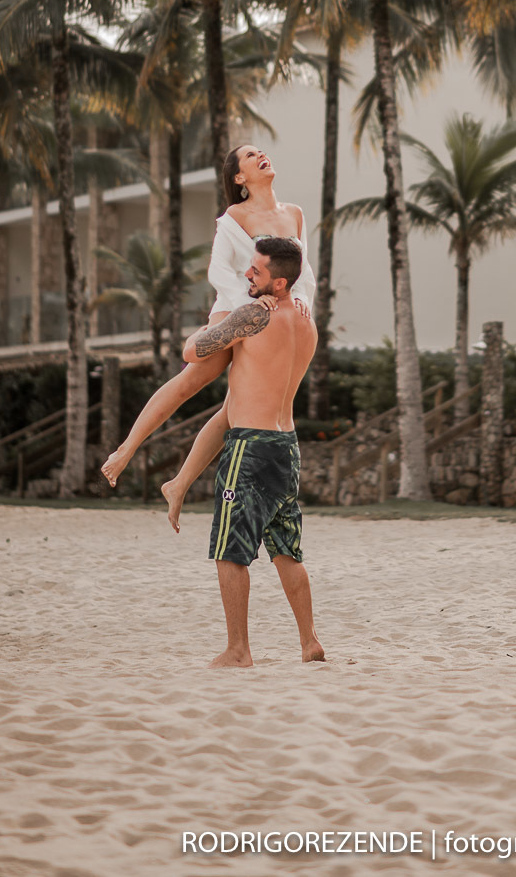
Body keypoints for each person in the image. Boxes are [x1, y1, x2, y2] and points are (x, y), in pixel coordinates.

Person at [100, 144, 315, 505]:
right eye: (249, 155)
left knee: (235, 407)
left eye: (260, 150)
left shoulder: (294, 213)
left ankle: (178, 483)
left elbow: (303, 271)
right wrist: (248, 306)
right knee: (192, 380)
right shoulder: (235, 215)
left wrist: (302, 301)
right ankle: (125, 450)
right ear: (239, 178)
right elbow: (218, 270)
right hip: (235, 306)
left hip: (276, 314)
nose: (260, 154)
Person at [186, 236, 323, 668]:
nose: (248, 273)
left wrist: (223, 318)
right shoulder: (306, 323)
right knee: (286, 548)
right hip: (287, 447)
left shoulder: (252, 318)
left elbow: (192, 351)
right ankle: (309, 642)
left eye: (257, 271)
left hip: (250, 448)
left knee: (230, 551)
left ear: (279, 283)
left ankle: (238, 650)